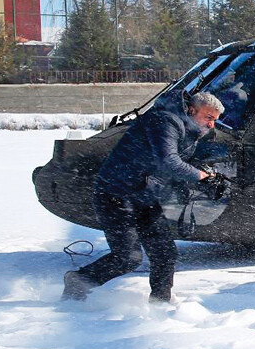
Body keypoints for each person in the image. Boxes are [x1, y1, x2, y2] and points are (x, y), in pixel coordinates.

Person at [62, 90, 226, 303]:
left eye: (215, 120)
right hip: (115, 194)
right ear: (192, 110)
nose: (212, 124)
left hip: (144, 196)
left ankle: (160, 303)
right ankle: (79, 280)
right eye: (209, 118)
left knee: (164, 253)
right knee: (127, 258)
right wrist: (200, 177)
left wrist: (207, 177)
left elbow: (173, 164)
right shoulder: (165, 121)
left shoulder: (188, 128)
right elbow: (168, 161)